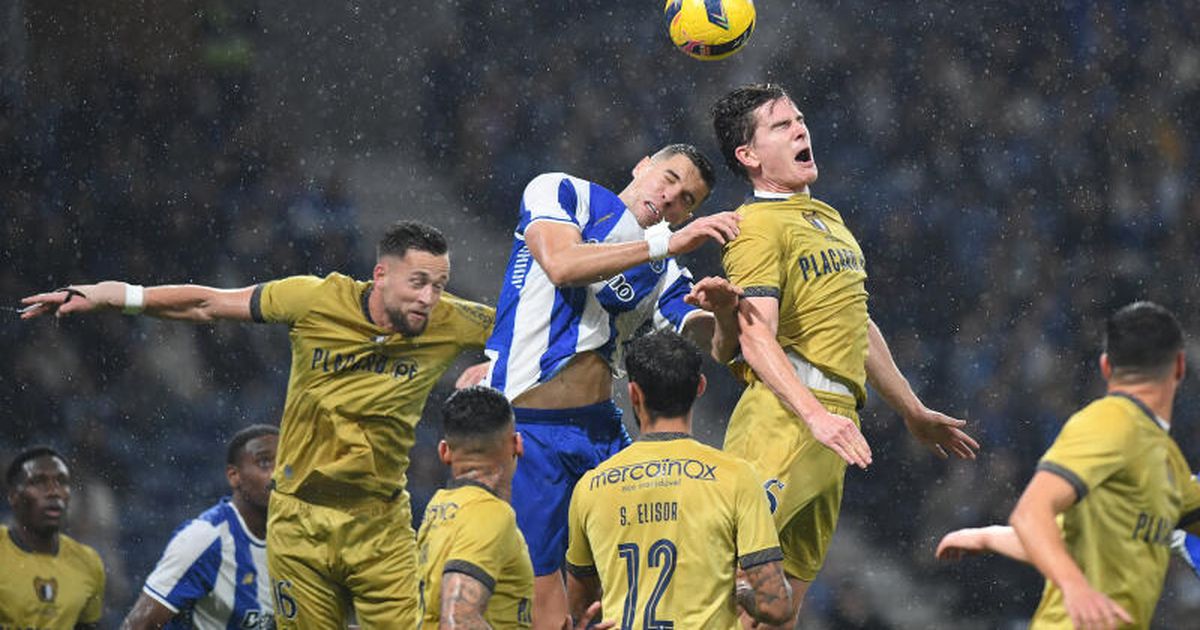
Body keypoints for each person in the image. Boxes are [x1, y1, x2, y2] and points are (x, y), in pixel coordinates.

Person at [21, 220, 495, 628]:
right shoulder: (313, 299)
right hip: (298, 522)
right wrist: (114, 296)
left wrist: (499, 364)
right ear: (381, 274)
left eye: (439, 284)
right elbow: (208, 303)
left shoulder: (451, 320)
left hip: (380, 524)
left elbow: (540, 332)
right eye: (418, 282)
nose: (429, 298)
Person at [709, 82, 980, 625]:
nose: (800, 129)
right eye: (781, 126)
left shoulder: (826, 218)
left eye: (800, 120)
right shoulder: (755, 228)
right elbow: (756, 335)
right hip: (785, 421)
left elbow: (857, 323)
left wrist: (911, 411)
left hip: (835, 430)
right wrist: (813, 417)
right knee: (724, 586)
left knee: (778, 611)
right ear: (749, 155)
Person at [479, 143, 744, 628]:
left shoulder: (663, 272)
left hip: (601, 429)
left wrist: (725, 311)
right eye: (669, 178)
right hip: (527, 425)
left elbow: (714, 343)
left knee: (629, 569)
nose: (670, 198)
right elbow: (560, 264)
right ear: (642, 164)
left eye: (687, 199)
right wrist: (668, 243)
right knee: (540, 588)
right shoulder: (564, 191)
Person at [936, 302, 1200, 630]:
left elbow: (1065, 539)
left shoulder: (1166, 461)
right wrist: (1075, 587)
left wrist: (987, 537)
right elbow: (1031, 514)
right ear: (1179, 367)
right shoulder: (1107, 423)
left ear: (1106, 367)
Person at [565, 330, 792, 629]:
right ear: (700, 387)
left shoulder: (591, 487)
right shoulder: (736, 478)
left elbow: (582, 607)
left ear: (633, 393)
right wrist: (743, 592)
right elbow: (775, 606)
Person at [120, 424, 280, 629]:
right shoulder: (204, 539)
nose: (278, 474)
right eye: (265, 463)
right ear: (234, 476)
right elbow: (137, 625)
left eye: (284, 463)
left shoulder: (299, 539)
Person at [1, 446, 106, 629]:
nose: (54, 491)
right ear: (13, 496)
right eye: (39, 481)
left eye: (62, 481)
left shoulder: (89, 563)